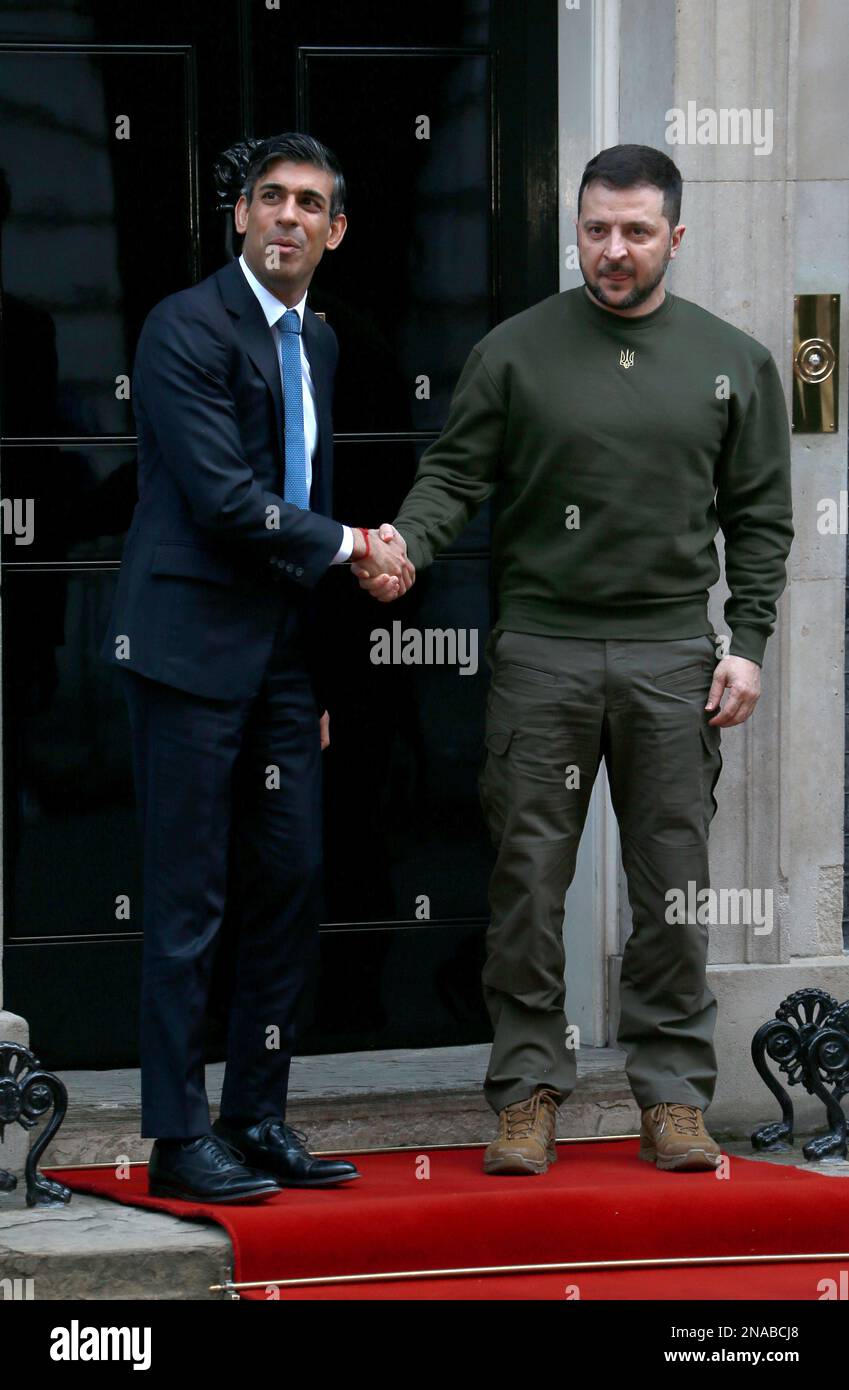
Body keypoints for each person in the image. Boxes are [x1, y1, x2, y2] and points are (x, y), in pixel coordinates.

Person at [355, 144, 795, 1176]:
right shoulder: (516, 351)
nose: (613, 249)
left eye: (637, 231)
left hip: (674, 659)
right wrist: (407, 546)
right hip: (543, 656)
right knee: (525, 883)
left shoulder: (733, 361)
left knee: (672, 887)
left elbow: (763, 516)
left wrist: (752, 644)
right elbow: (455, 473)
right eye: (596, 228)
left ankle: (674, 1095)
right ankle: (526, 1091)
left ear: (675, 238)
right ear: (578, 231)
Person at [100, 132, 411, 1202]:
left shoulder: (316, 342)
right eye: (268, 198)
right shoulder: (183, 327)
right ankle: (179, 1135)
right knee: (190, 901)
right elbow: (230, 502)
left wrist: (315, 678)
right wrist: (357, 545)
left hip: (281, 662)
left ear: (335, 230)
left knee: (290, 882)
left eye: (308, 203)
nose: (286, 216)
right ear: (239, 216)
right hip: (187, 652)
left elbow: (300, 500)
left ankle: (257, 1114)